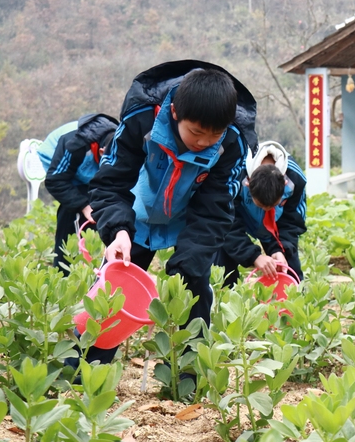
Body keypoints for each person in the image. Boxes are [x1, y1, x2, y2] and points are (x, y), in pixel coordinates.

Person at [82, 60, 257, 366]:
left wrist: (189, 262)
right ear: (174, 112)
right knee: (113, 290)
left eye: (213, 136)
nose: (203, 142)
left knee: (194, 288)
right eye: (196, 132)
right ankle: (85, 371)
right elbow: (111, 182)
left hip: (189, 216)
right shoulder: (141, 118)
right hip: (137, 210)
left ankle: (187, 378)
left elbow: (214, 210)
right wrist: (119, 231)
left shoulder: (233, 143)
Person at [218, 141, 307, 287]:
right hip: (240, 217)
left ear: (284, 185)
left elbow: (291, 222)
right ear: (248, 183)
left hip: (274, 224)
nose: (266, 209)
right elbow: (225, 221)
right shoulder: (235, 172)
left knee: (290, 271)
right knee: (223, 268)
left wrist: (280, 250)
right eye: (260, 205)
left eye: (273, 205)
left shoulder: (295, 179)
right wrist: (254, 256)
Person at [37, 113, 118, 274]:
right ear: (102, 152)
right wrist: (84, 206)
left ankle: (103, 267)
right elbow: (55, 181)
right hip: (60, 167)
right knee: (78, 213)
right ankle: (63, 272)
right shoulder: (75, 144)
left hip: (90, 165)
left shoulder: (123, 140)